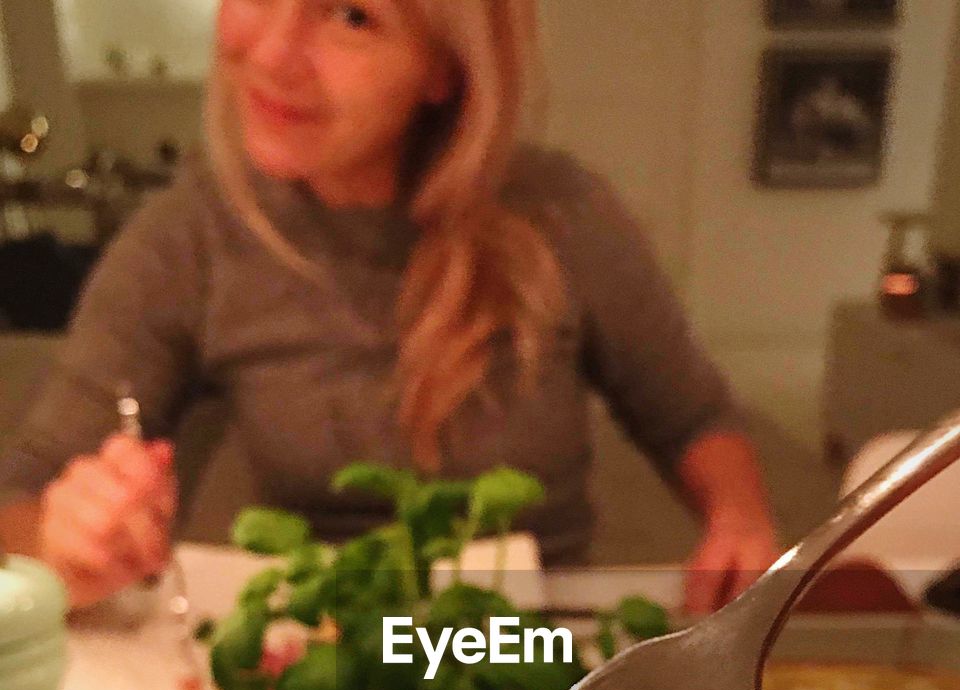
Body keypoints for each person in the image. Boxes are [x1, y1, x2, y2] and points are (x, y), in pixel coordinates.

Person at [0, 0, 778, 614]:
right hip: (317, 659)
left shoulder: (564, 214)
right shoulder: (186, 238)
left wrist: (738, 516)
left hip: (522, 660)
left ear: (444, 68)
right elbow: (22, 495)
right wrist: (63, 542)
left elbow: (690, 416)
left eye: (352, 17)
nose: (270, 54)